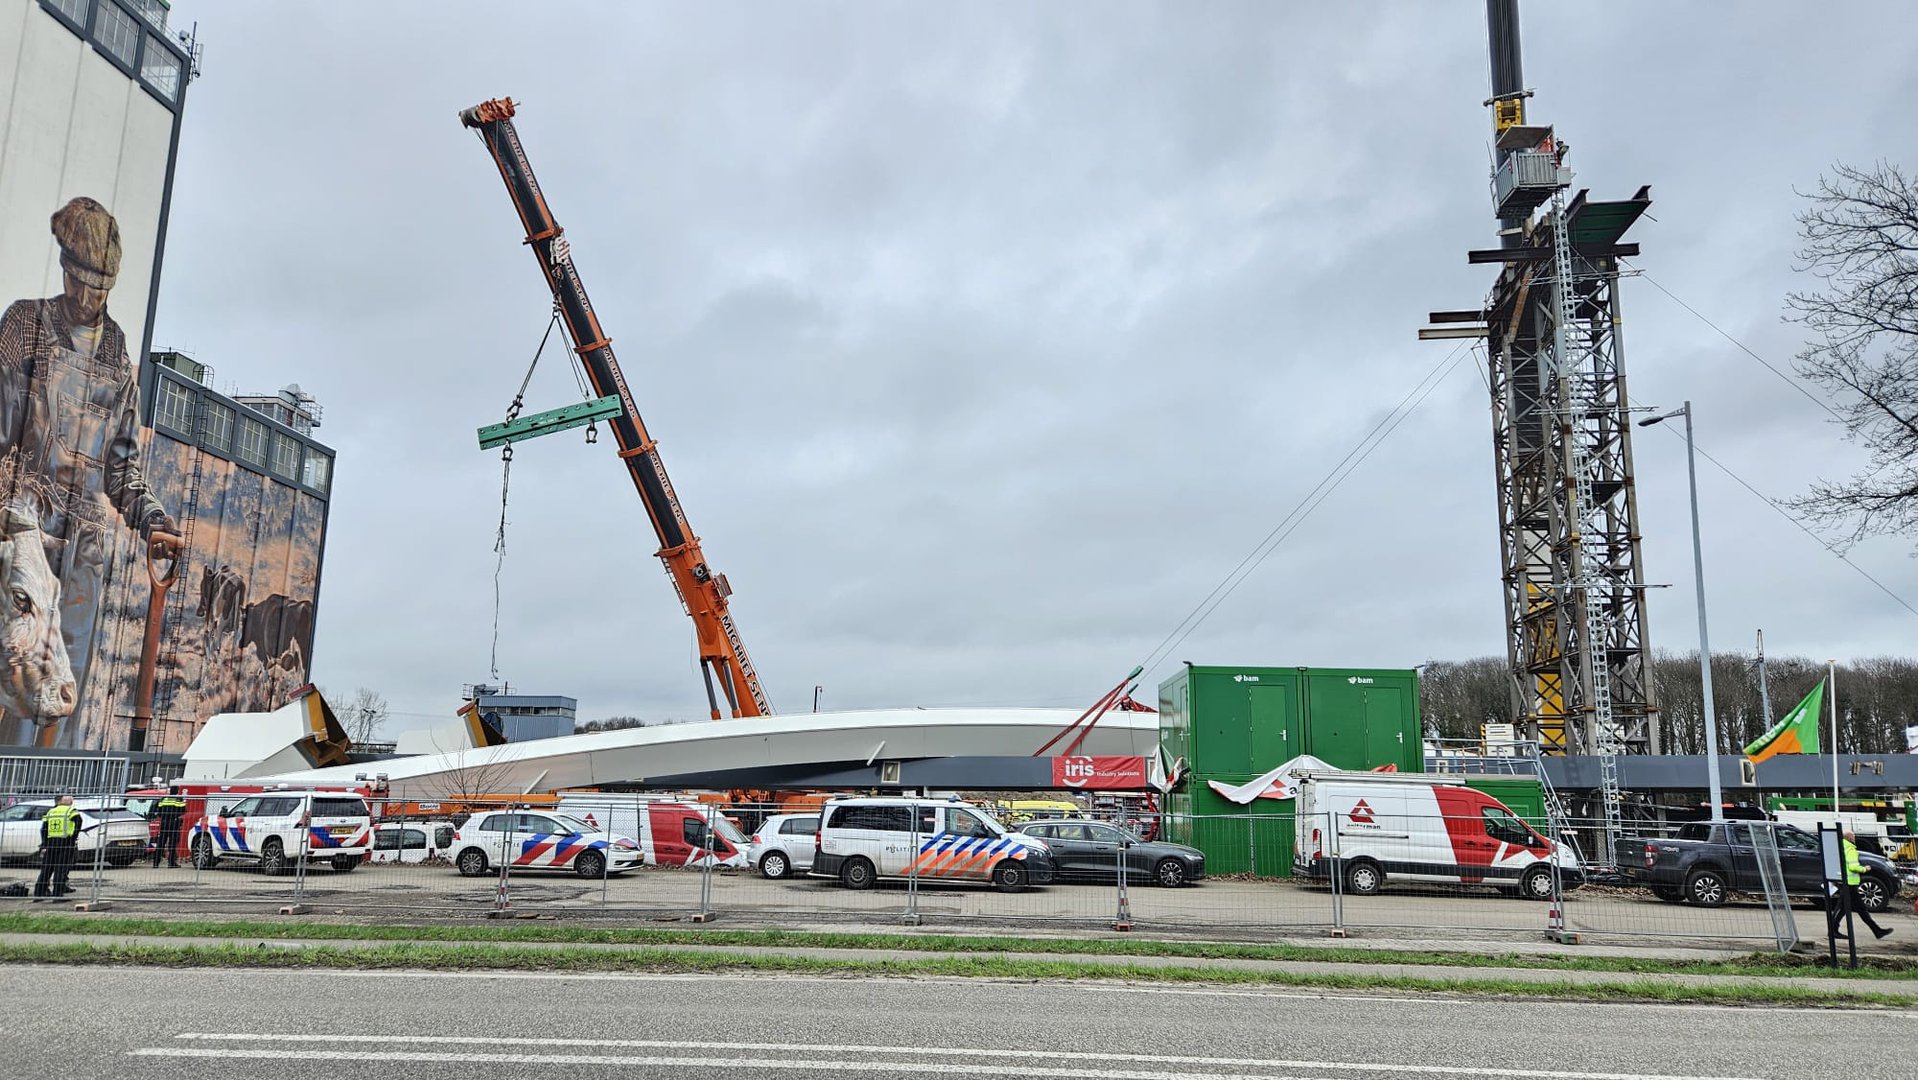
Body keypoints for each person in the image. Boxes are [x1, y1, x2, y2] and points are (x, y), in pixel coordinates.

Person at [0, 196, 183, 748]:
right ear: (64, 269)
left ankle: (43, 800)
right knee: (15, 663)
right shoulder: (26, 324)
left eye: (101, 285)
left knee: (64, 684)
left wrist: (152, 518)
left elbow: (121, 468)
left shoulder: (118, 357)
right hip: (25, 527)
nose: (90, 296)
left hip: (84, 546)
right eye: (82, 281)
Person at [1831, 828, 1893, 941]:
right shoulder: (1850, 849)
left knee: (1848, 908)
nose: (1854, 838)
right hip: (1850, 883)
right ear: (1849, 838)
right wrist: (1864, 869)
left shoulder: (1841, 846)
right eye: (1853, 836)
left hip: (1845, 882)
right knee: (1855, 909)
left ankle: (1877, 930)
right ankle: (1877, 931)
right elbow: (1853, 866)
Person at [33, 794, 81, 899]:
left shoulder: (51, 812)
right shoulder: (72, 811)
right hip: (65, 844)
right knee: (60, 869)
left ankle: (38, 893)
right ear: (70, 802)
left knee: (46, 869)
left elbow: (44, 829)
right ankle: (57, 895)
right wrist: (72, 840)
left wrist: (44, 843)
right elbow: (78, 826)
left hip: (51, 844)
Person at [151, 787, 186, 868]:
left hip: (164, 823)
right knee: (172, 844)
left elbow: (159, 812)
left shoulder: (164, 799)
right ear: (177, 791)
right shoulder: (179, 799)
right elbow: (183, 810)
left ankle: (155, 863)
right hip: (174, 823)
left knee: (161, 843)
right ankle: (171, 863)